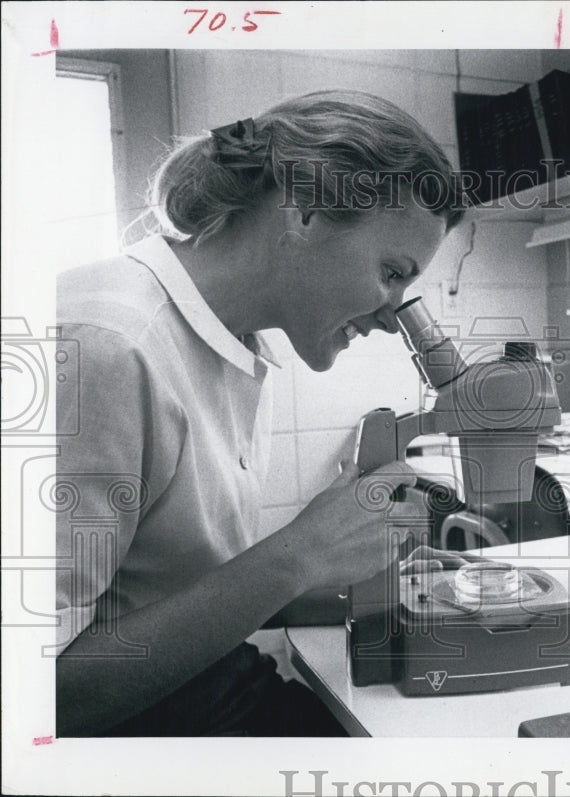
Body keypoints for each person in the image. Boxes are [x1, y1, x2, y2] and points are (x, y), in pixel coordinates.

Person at [54, 90, 466, 736]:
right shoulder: (109, 345)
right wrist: (299, 553)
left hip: (211, 693)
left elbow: (173, 599)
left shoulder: (238, 343)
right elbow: (39, 694)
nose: (395, 316)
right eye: (392, 272)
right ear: (303, 212)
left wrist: (347, 575)